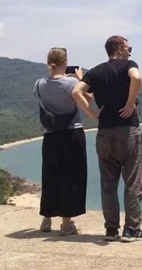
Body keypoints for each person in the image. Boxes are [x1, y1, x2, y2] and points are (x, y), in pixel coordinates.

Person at [72, 35, 142, 243]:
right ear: (120, 49)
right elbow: (137, 78)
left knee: (108, 183)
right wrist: (131, 102)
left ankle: (111, 229)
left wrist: (92, 114)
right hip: (127, 131)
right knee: (132, 182)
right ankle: (132, 229)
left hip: (104, 134)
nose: (130, 52)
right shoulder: (128, 65)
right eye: (129, 48)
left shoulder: (96, 72)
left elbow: (77, 92)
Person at [34, 47, 88, 236]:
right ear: (66, 62)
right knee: (71, 177)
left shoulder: (39, 84)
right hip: (71, 134)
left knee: (50, 176)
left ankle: (46, 220)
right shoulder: (72, 82)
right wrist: (81, 79)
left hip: (50, 135)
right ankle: (66, 224)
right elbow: (88, 96)